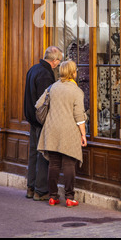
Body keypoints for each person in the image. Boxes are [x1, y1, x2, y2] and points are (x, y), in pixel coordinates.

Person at [36, 60, 87, 207]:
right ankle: (70, 197)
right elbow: (79, 117)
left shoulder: (52, 87)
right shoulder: (76, 91)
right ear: (73, 73)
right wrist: (83, 135)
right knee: (69, 164)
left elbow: (38, 104)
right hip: (69, 131)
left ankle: (53, 196)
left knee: (54, 164)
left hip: (51, 129)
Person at [24, 46, 63, 201]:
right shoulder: (46, 75)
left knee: (33, 153)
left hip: (32, 120)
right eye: (59, 61)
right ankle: (40, 191)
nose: (59, 64)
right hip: (41, 121)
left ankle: (30, 187)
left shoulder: (33, 69)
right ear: (54, 61)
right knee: (42, 155)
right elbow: (43, 103)